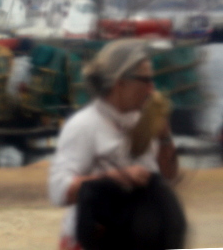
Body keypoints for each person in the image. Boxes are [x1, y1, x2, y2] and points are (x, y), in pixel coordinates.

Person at [48, 39, 179, 250]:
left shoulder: (142, 119)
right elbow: (58, 191)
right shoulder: (84, 125)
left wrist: (164, 137)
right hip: (92, 240)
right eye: (145, 80)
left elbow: (169, 177)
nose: (151, 89)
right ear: (120, 82)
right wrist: (116, 178)